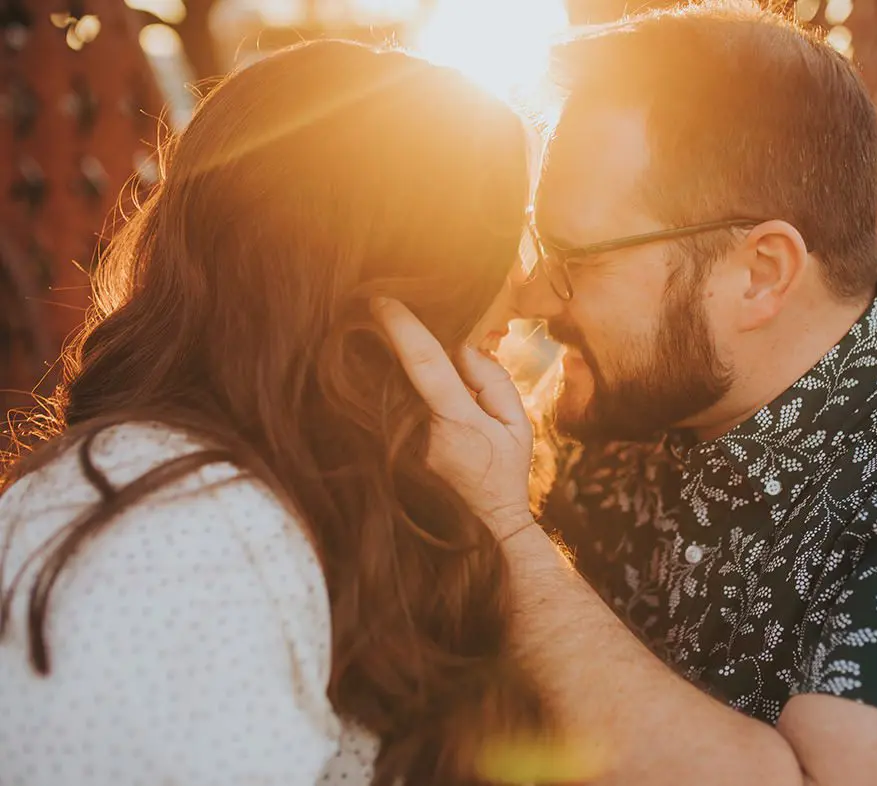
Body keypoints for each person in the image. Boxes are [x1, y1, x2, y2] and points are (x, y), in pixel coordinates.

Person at [374, 3, 877, 785]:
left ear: (760, 274)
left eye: (577, 259)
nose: (533, 296)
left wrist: (503, 532)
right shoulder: (602, 427)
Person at [0, 40, 561, 786]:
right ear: (387, 256)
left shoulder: (300, 495)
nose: (530, 289)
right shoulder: (175, 535)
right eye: (506, 235)